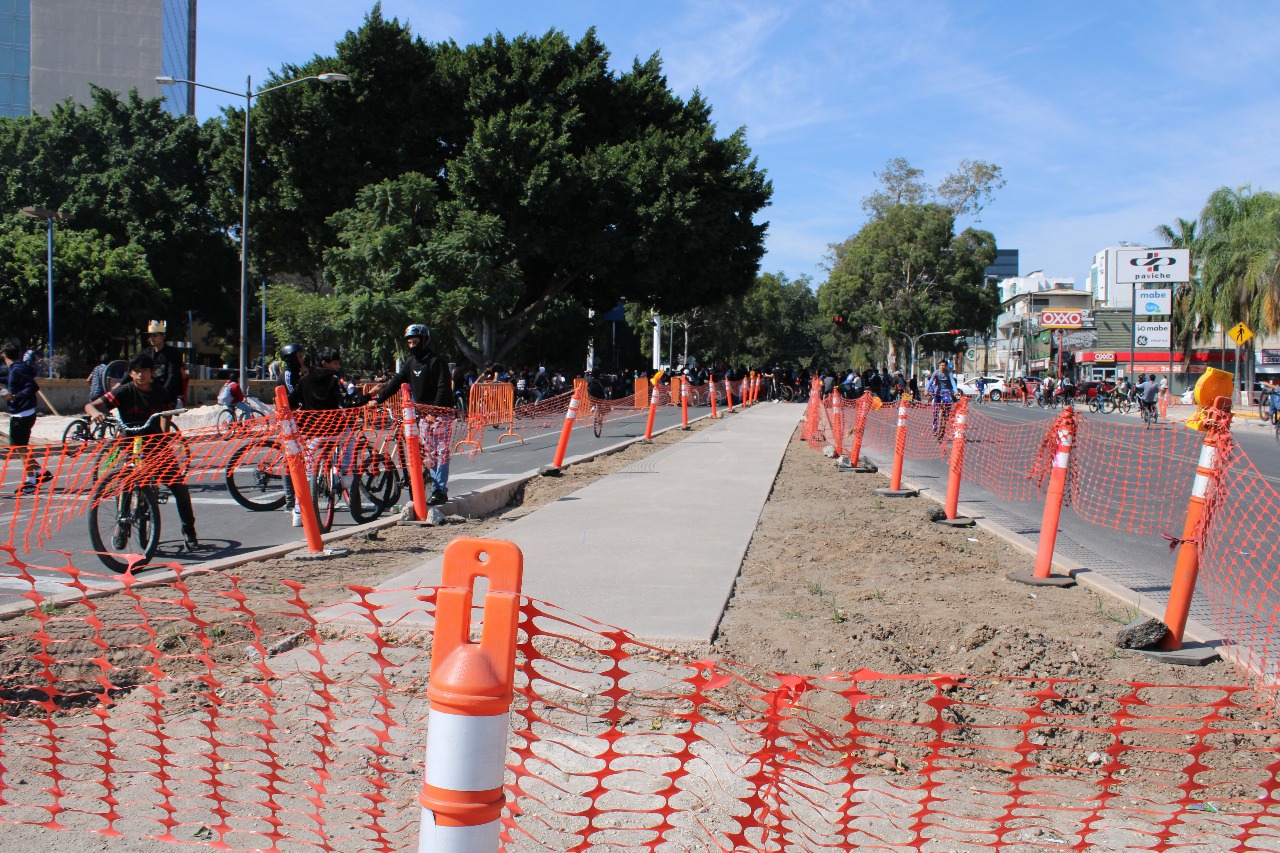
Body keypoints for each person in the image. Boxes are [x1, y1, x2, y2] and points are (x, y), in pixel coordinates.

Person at [85, 352, 198, 548]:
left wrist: (164, 438)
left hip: (155, 446)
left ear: (152, 372)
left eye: (145, 371)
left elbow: (166, 414)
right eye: (136, 371)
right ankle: (121, 526)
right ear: (130, 373)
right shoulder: (123, 391)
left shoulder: (159, 392)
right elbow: (91, 405)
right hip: (130, 446)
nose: (141, 375)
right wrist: (95, 413)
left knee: (179, 487)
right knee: (126, 483)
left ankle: (189, 531)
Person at [370, 324, 453, 506]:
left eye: (415, 342)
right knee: (429, 454)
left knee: (441, 452)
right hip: (422, 415)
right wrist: (378, 399)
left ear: (424, 341)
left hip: (441, 414)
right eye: (409, 343)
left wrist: (435, 411)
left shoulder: (436, 362)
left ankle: (440, 490)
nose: (412, 346)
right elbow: (396, 382)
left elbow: (443, 388)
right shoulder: (410, 363)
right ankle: (435, 484)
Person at [290, 347, 361, 526]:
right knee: (351, 438)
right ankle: (345, 474)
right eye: (335, 363)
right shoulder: (333, 379)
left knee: (307, 474)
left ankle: (298, 514)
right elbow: (345, 402)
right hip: (335, 431)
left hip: (312, 433)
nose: (338, 366)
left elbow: (291, 401)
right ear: (325, 363)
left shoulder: (304, 381)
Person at [3, 340, 51, 494]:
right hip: (24, 413)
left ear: (4, 355)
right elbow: (11, 381)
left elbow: (32, 386)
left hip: (22, 414)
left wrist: (15, 396)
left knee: (20, 449)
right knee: (19, 448)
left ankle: (31, 481)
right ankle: (40, 471)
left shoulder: (17, 370)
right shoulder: (16, 369)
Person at [140, 320, 185, 407]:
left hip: (170, 394)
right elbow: (135, 367)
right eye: (150, 335)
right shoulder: (146, 353)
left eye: (155, 335)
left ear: (163, 336)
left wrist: (162, 394)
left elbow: (172, 376)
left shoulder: (172, 353)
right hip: (151, 393)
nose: (152, 338)